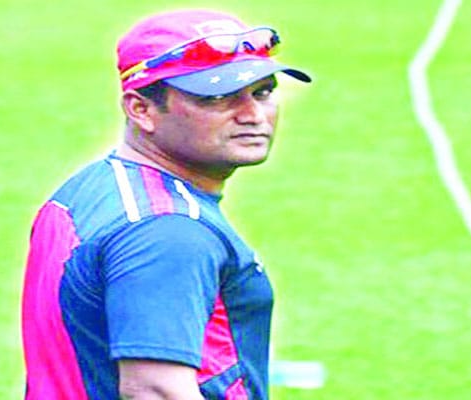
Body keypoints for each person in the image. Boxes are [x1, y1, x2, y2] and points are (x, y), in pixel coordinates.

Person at [21, 8, 311, 400]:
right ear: (141, 109)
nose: (253, 115)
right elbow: (156, 391)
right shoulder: (168, 229)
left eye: (262, 92)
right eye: (217, 97)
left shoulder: (91, 187)